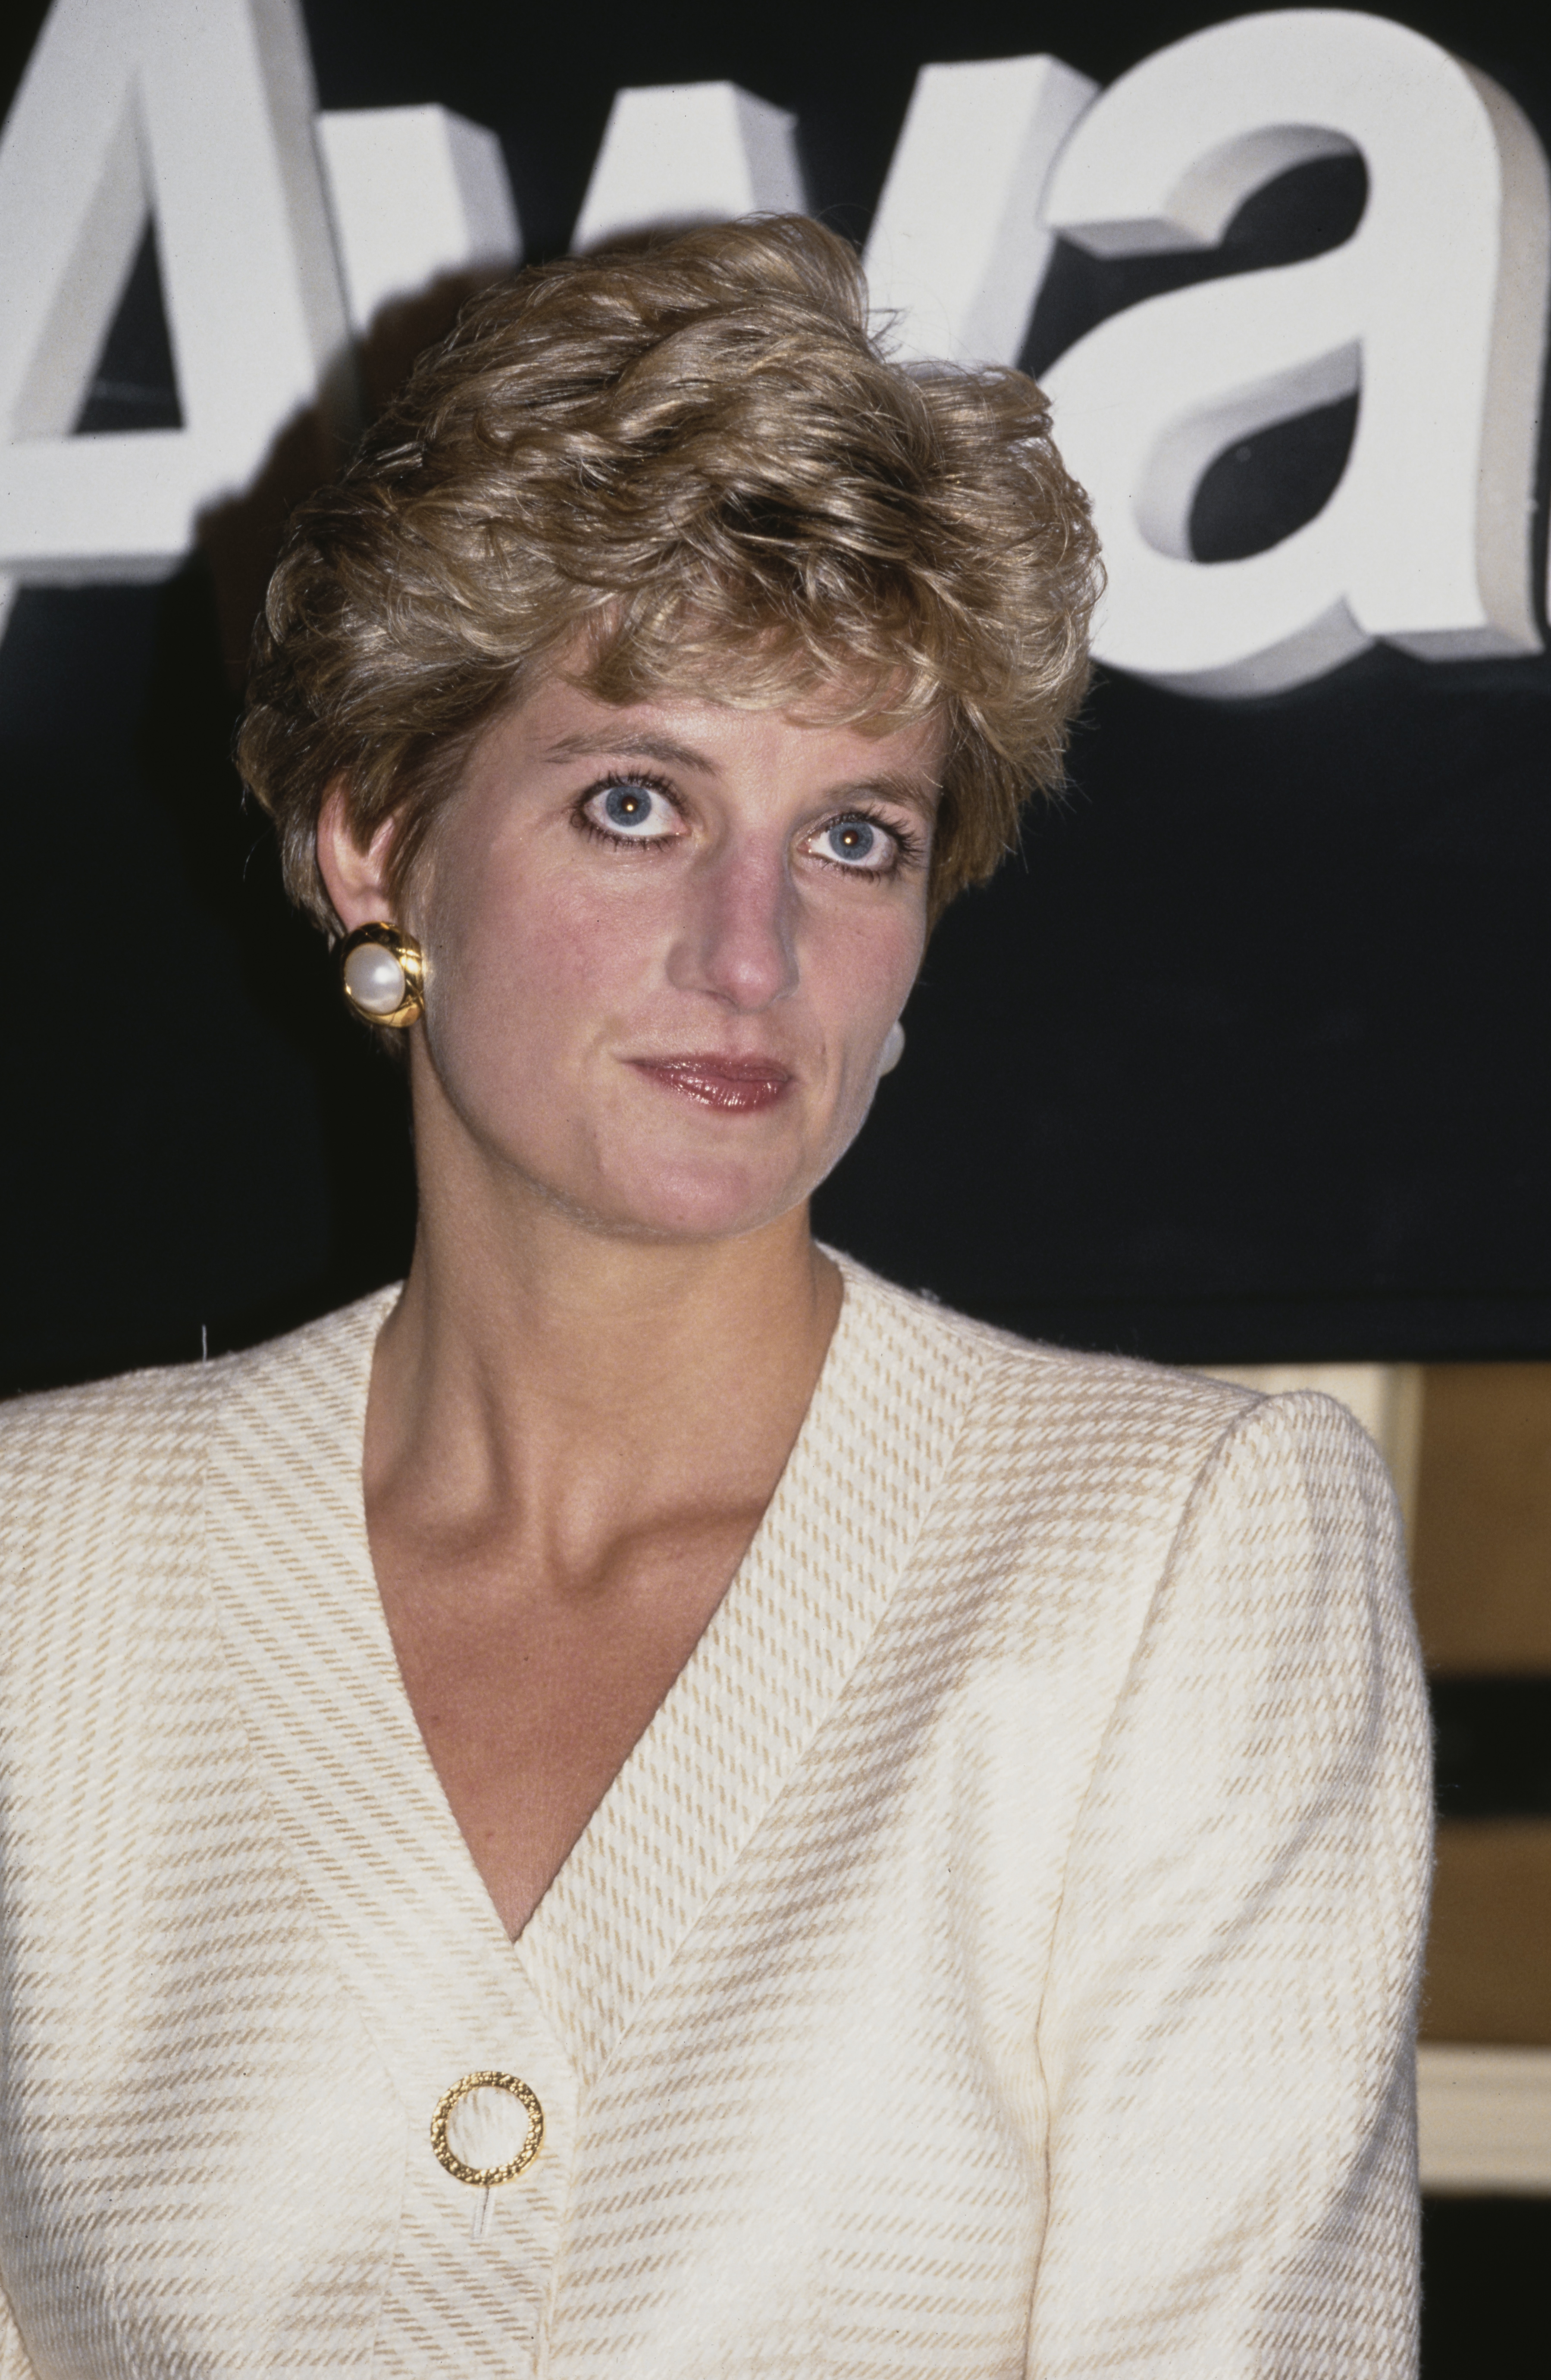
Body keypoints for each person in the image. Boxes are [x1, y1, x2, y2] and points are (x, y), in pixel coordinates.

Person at [0, 216, 1429, 2377]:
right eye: (639, 802)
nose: (752, 955)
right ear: (379, 840)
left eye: (854, 834)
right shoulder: (38, 1571)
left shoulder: (1179, 1555)